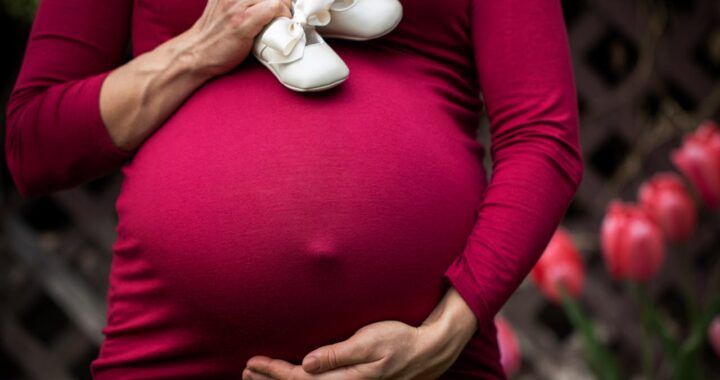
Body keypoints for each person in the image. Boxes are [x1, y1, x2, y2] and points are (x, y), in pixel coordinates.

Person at [4, 0, 584, 378]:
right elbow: (36, 143)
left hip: (424, 361)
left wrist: (443, 334)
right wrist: (198, 48)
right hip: (175, 354)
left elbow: (543, 137)